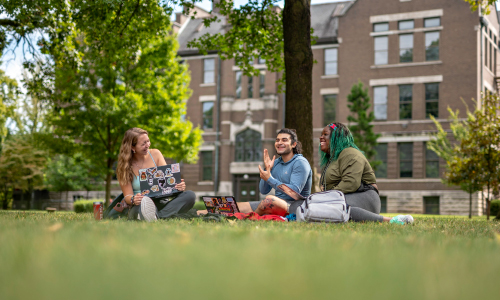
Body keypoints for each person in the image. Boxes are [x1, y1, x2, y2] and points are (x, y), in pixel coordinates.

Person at [318, 122, 413, 224]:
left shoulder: (350, 153)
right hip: (344, 197)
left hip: (365, 196)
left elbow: (351, 183)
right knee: (324, 209)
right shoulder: (332, 159)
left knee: (335, 208)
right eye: (321, 134)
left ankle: (392, 221)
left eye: (325, 134)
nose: (321, 137)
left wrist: (326, 197)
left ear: (336, 137)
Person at [116, 127, 196, 221]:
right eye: (143, 144)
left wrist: (178, 186)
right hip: (141, 204)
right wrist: (134, 199)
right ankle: (163, 216)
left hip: (161, 201)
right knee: (141, 207)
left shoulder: (156, 154)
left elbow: (168, 183)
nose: (148, 145)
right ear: (132, 147)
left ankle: (156, 217)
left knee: (190, 195)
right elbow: (127, 196)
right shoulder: (124, 167)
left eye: (148, 141)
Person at [237, 128, 312, 216]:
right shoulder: (275, 163)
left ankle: (251, 219)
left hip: (296, 206)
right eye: (277, 140)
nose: (279, 143)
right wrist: (268, 169)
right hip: (274, 203)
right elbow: (263, 190)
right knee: (237, 206)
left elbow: (294, 192)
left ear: (293, 144)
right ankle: (224, 218)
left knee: (269, 200)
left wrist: (269, 179)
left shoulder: (300, 162)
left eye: (284, 140)